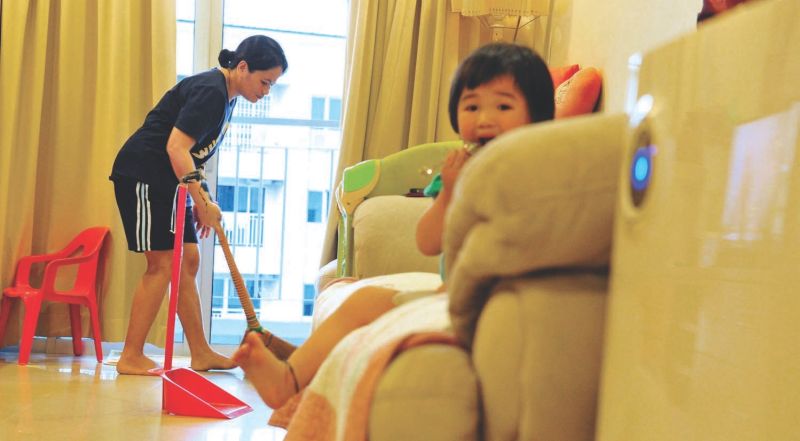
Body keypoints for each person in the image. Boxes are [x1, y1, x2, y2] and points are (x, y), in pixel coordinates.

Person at [232, 42, 554, 407]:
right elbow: (428, 242)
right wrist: (449, 194)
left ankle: (292, 379)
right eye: (472, 106)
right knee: (361, 300)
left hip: (492, 298)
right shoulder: (457, 173)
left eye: (503, 106)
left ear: (536, 117)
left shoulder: (533, 173)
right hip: (448, 294)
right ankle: (288, 380)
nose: (484, 119)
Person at [109, 35, 288, 375]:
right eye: (265, 82)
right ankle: (131, 355)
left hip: (170, 181)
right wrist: (200, 200)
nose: (266, 92)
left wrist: (201, 199)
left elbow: (193, 154)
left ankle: (201, 352)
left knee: (188, 259)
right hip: (144, 174)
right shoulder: (211, 92)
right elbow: (175, 147)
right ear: (243, 67)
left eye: (272, 85)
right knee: (162, 264)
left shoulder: (227, 98)